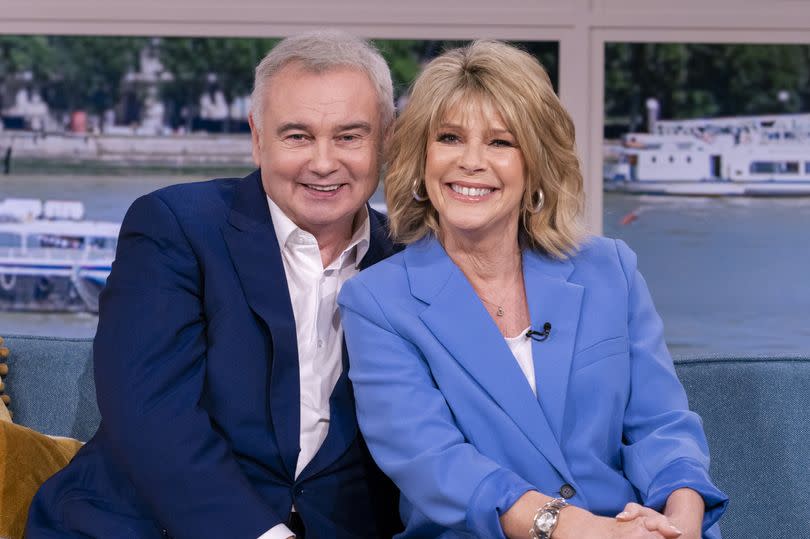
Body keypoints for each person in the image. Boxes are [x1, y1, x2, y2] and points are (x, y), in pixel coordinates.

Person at [338, 41, 728, 539]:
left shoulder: (610, 269)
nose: (472, 162)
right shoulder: (378, 301)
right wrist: (586, 532)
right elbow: (435, 465)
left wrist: (681, 522)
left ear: (536, 164)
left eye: (501, 143)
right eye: (451, 138)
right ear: (421, 158)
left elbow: (661, 426)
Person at [26, 30, 400, 539]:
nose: (323, 161)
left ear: (386, 138)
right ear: (257, 138)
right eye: (298, 135)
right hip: (147, 526)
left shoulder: (404, 260)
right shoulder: (174, 225)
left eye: (349, 136)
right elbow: (151, 414)